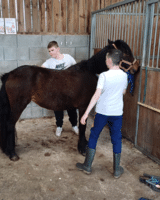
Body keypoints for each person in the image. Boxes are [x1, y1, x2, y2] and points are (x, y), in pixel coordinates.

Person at [76, 49, 127, 179]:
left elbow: (96, 95)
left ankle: (87, 165)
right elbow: (123, 92)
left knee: (94, 136)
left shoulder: (104, 76)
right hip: (117, 113)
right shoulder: (124, 75)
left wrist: (85, 113)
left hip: (103, 112)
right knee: (116, 139)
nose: (105, 61)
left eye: (106, 59)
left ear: (109, 60)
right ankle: (116, 170)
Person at [41, 41, 79, 137]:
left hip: (70, 90)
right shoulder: (49, 62)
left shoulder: (68, 58)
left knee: (72, 109)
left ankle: (74, 125)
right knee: (58, 109)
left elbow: (77, 69)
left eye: (52, 50)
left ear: (58, 49)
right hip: (57, 91)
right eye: (49, 51)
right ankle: (59, 127)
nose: (50, 53)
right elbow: (41, 70)